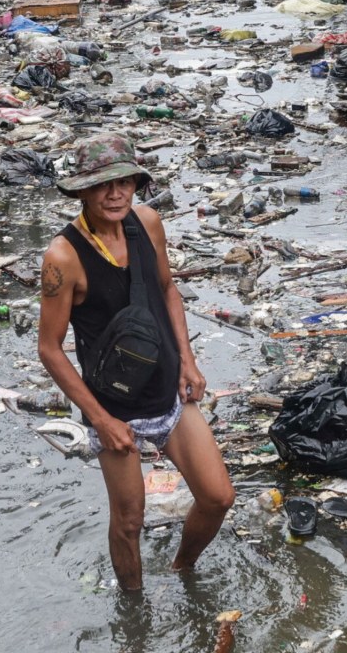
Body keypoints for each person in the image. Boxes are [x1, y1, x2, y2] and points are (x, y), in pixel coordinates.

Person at [37, 133, 235, 591]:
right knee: (129, 523)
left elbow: (167, 289)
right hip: (115, 408)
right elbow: (50, 348)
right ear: (83, 190)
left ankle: (182, 570)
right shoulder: (62, 257)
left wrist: (188, 360)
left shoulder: (147, 223)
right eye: (103, 185)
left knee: (218, 496)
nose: (115, 193)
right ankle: (134, 610)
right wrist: (101, 420)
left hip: (167, 390)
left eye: (125, 182)